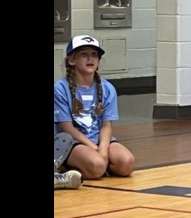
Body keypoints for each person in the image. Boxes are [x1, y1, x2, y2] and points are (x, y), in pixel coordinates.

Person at [54, 35, 136, 181]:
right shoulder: (60, 88)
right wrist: (93, 148)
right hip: (74, 142)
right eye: (84, 54)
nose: (90, 58)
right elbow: (66, 127)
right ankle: (65, 169)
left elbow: (106, 126)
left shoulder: (107, 88)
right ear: (72, 60)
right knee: (97, 166)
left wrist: (103, 149)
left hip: (100, 140)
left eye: (94, 55)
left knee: (127, 163)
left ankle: (95, 166)